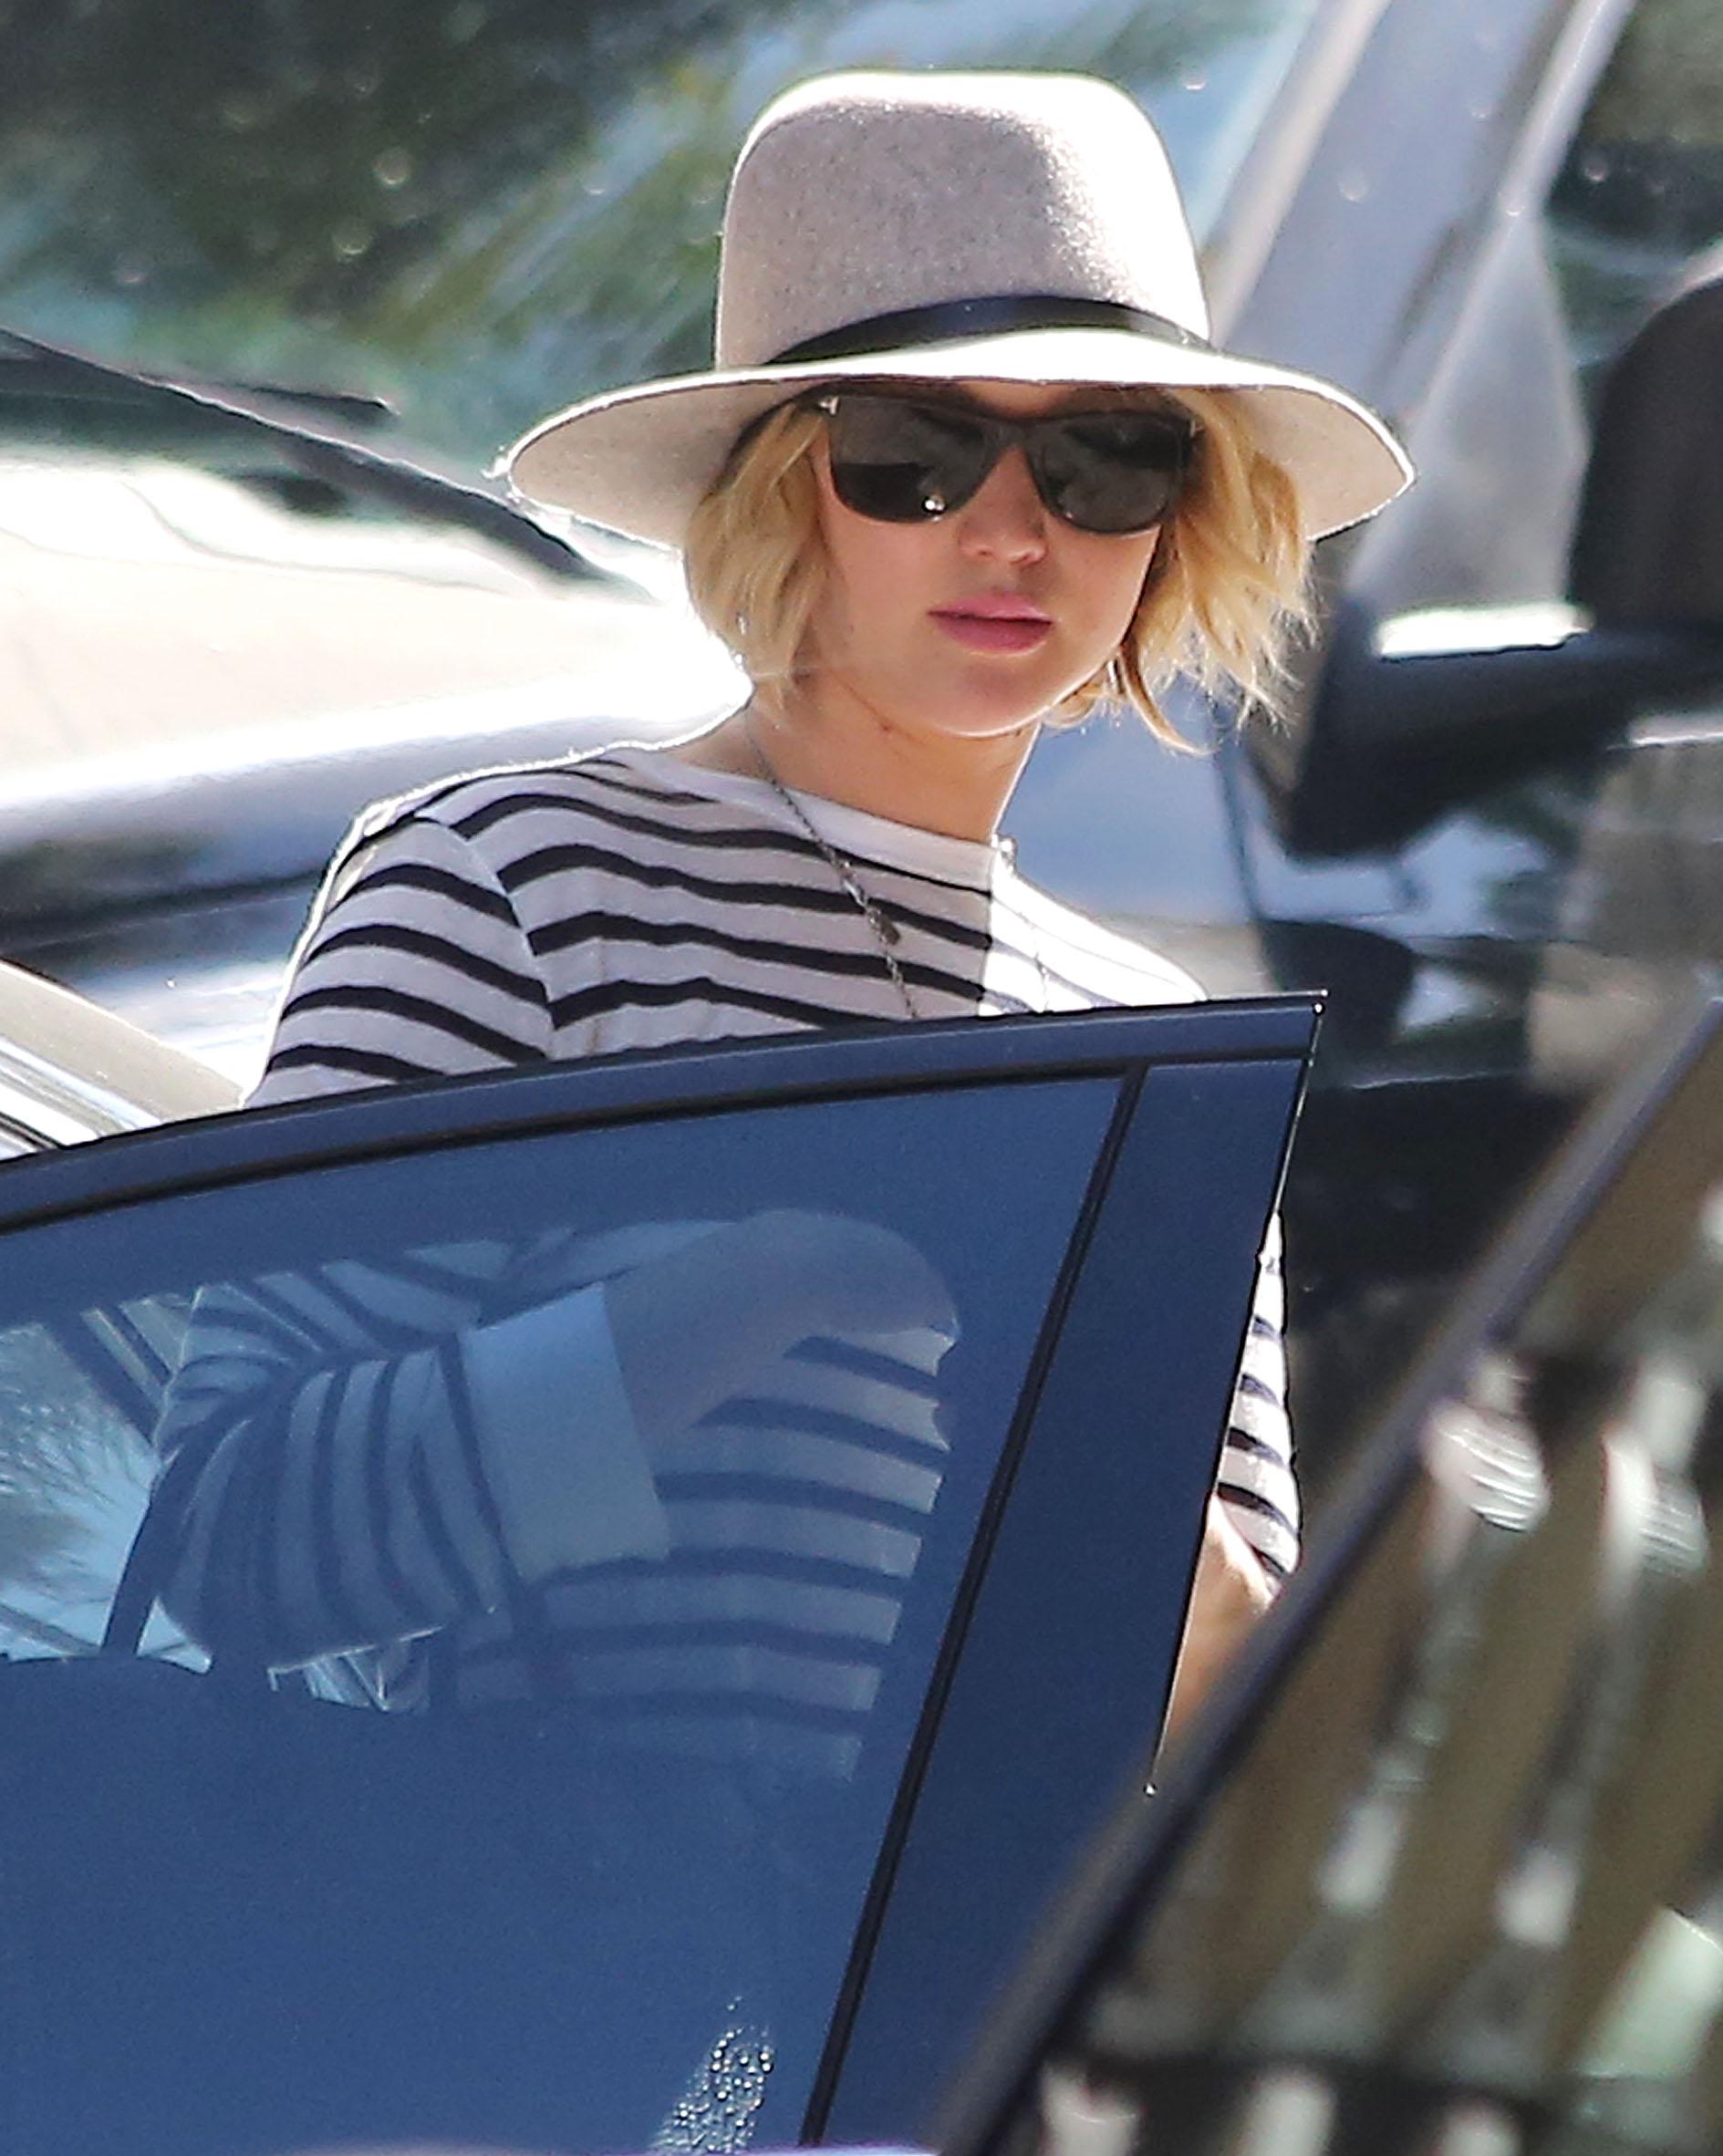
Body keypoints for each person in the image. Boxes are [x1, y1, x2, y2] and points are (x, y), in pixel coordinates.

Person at [148, 71, 1408, 1816]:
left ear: (1181, 517)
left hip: (929, 2055)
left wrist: (1082, 1436)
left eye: (1106, 455)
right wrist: (771, 1282)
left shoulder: (1155, 1043)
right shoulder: (509, 880)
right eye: (914, 452)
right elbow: (235, 1545)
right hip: (532, 2014)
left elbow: (1222, 1745)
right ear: (776, 491)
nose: (1010, 527)